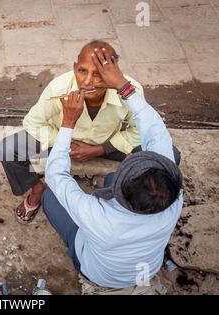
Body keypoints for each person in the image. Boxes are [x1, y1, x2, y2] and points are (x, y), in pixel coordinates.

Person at [41, 47, 183, 289]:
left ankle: (76, 251)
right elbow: (155, 129)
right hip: (147, 267)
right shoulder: (173, 200)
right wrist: (123, 84)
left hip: (98, 273)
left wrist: (67, 123)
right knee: (110, 178)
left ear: (120, 193)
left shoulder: (97, 217)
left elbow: (55, 176)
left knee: (48, 196)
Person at [0, 40, 180, 224]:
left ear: (114, 73)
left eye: (99, 74)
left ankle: (124, 194)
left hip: (109, 143)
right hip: (63, 141)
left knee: (169, 157)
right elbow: (33, 122)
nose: (87, 81)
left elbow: (139, 131)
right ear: (75, 67)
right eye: (82, 71)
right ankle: (37, 189)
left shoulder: (130, 90)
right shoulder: (59, 88)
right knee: (8, 149)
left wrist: (101, 149)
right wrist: (66, 143)